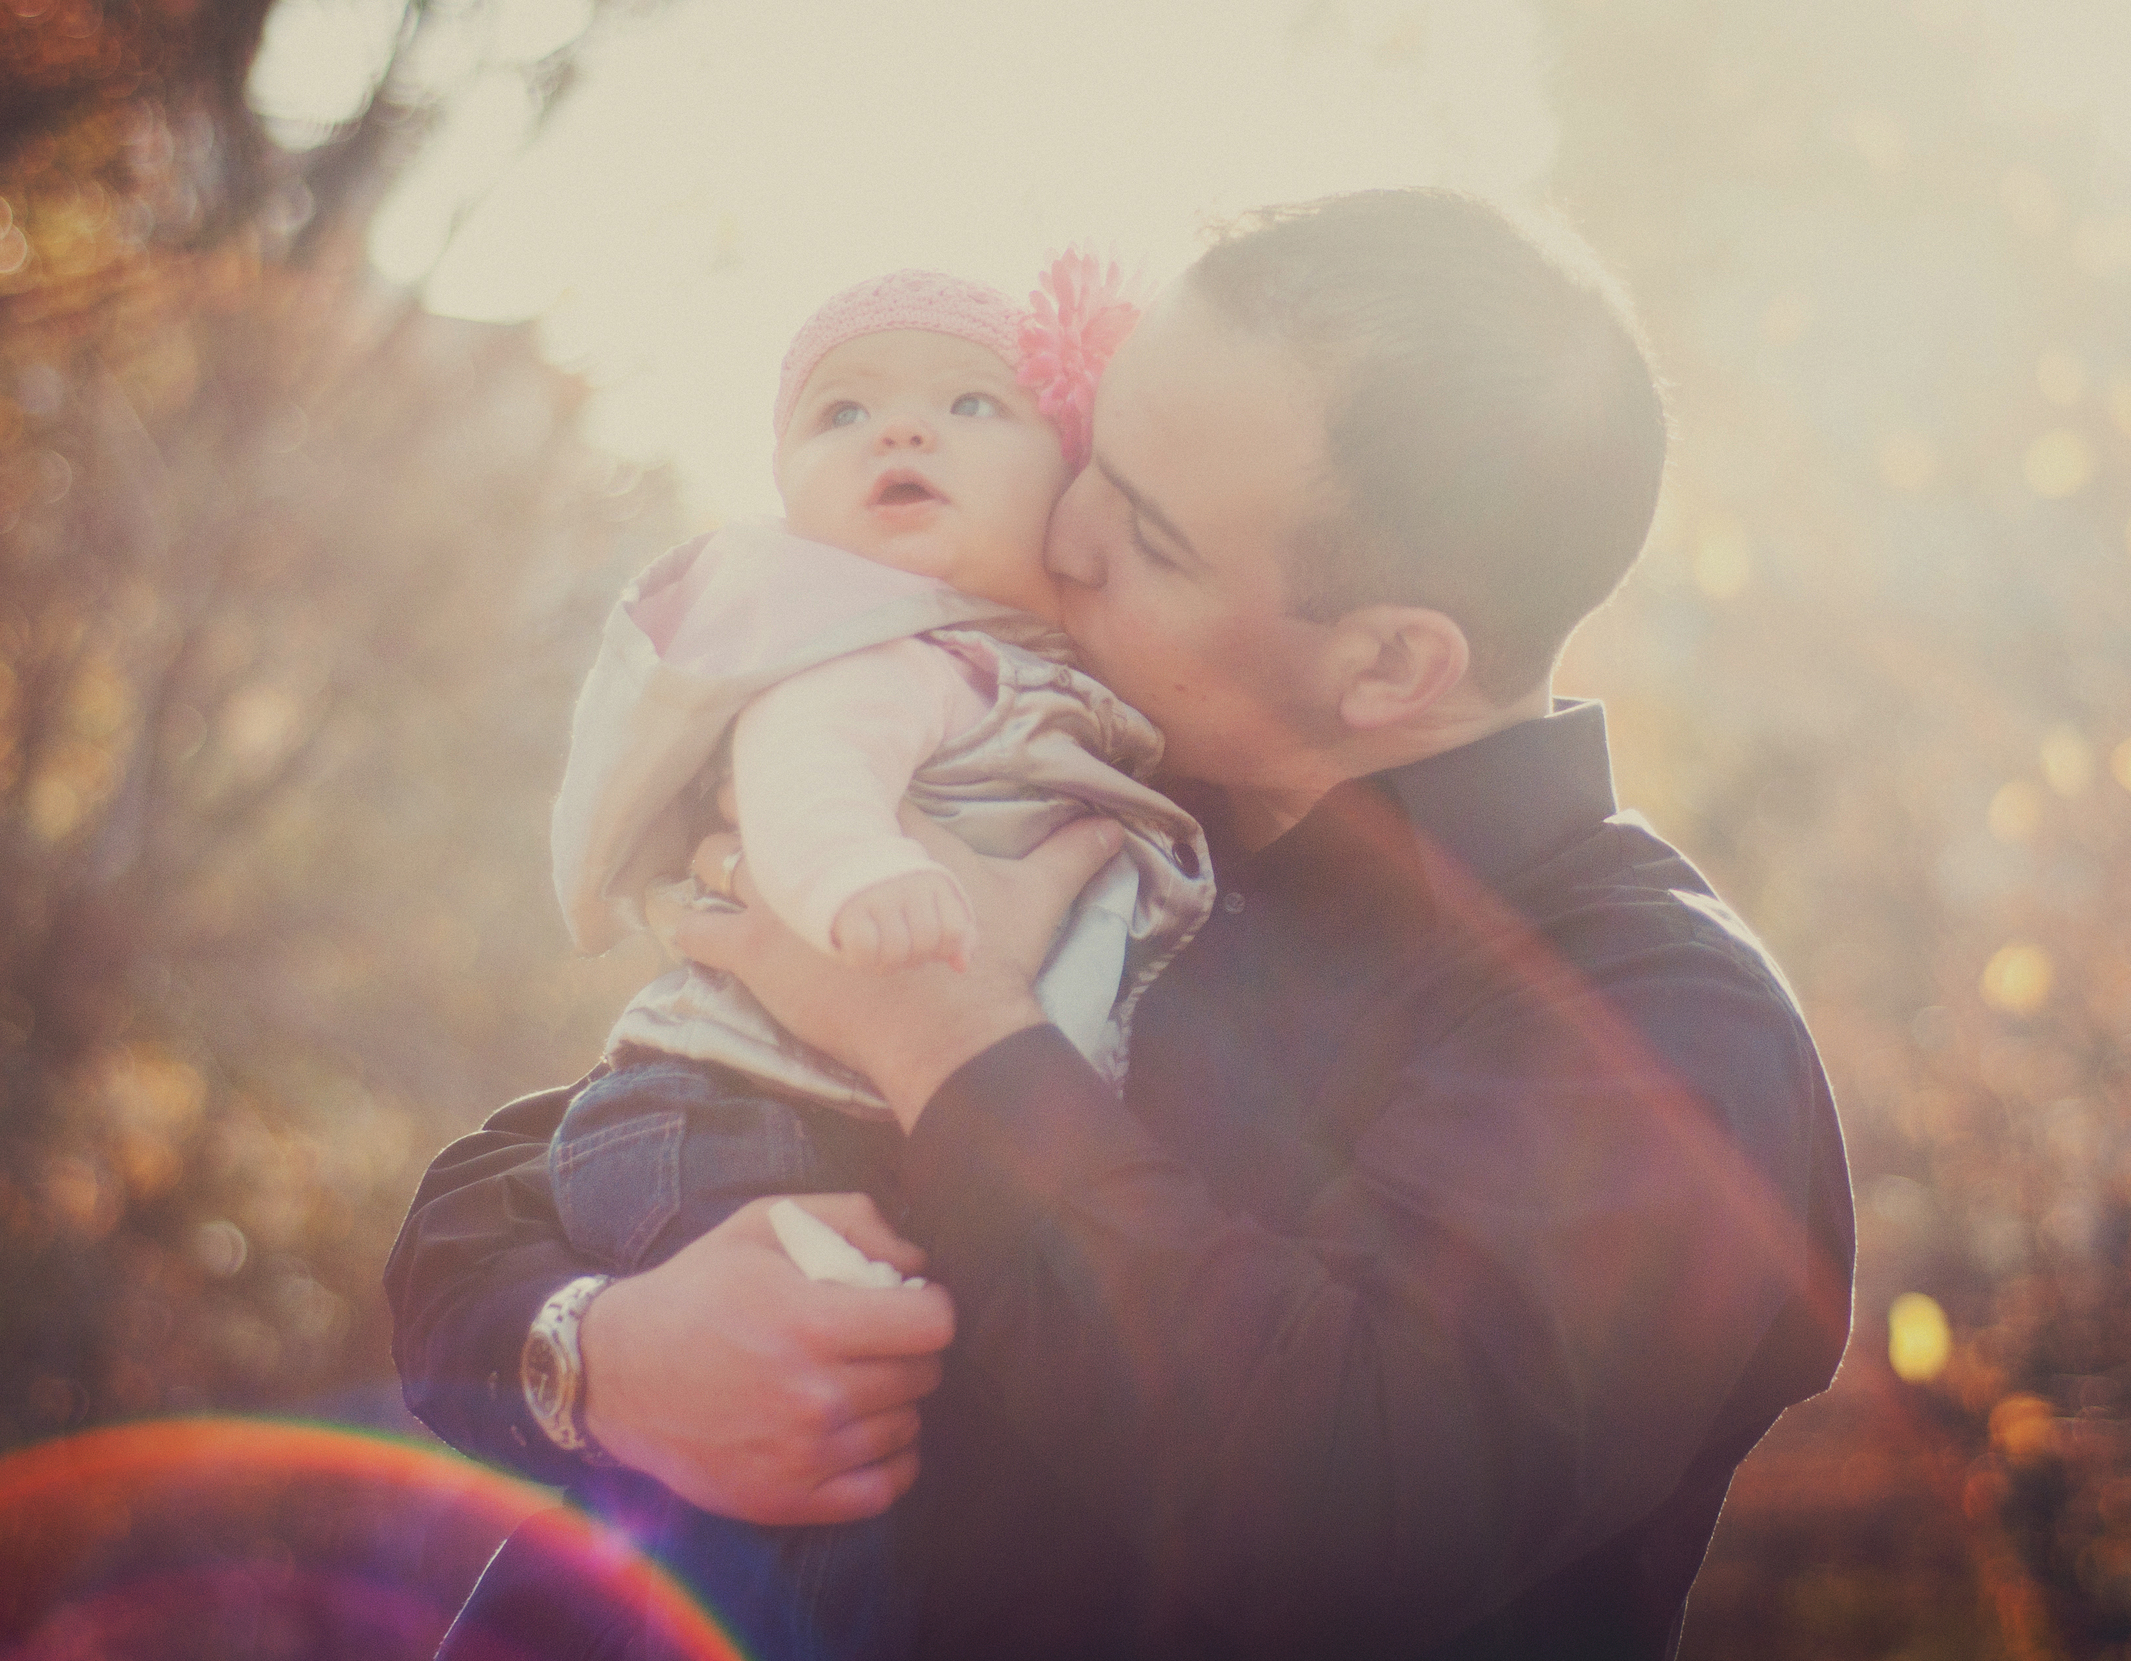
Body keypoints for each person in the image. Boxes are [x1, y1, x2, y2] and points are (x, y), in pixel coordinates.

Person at [389, 188, 1856, 1661]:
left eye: (1148, 531)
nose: (1061, 525)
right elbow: (509, 1190)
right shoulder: (1071, 795)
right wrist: (596, 1354)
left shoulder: (1662, 1025)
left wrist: (947, 1036)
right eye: (1088, 442)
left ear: (1392, 663)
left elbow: (1355, 1513)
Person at [520, 264, 1211, 1660]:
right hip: (740, 1119)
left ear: (1073, 488)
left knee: (746, 1492)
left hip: (776, 1118)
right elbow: (807, 772)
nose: (900, 436)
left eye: (970, 404)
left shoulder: (1041, 671)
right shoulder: (886, 651)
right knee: (816, 1490)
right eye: (844, 414)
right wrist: (861, 883)